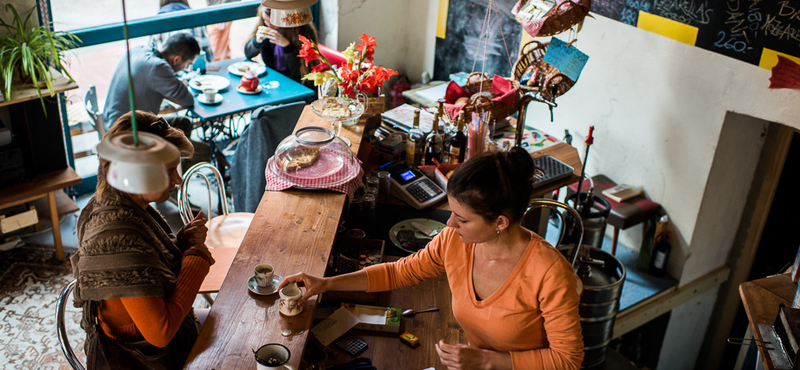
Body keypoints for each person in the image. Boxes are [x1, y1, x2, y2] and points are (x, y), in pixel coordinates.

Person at [280, 147, 584, 370]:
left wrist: (488, 361)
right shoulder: (455, 241)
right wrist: (325, 284)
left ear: (500, 223)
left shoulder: (549, 273)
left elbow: (568, 360)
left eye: (462, 219)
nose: (450, 224)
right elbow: (398, 273)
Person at [71, 110, 215, 368]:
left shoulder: (116, 204)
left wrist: (179, 245)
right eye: (169, 171)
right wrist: (196, 258)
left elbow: (145, 267)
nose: (178, 180)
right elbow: (161, 333)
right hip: (146, 359)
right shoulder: (116, 237)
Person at [103, 33, 199, 135]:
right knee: (204, 150)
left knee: (184, 123)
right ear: (176, 59)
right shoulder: (159, 68)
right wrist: (181, 85)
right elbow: (188, 100)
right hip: (128, 137)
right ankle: (177, 150)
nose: (185, 68)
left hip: (112, 123)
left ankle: (179, 149)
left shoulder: (138, 50)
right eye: (187, 64)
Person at [244, 5, 319, 84]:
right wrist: (257, 42)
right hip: (275, 78)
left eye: (273, 23)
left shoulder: (303, 31)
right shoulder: (265, 25)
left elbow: (300, 71)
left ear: (285, 19)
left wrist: (287, 46)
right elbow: (248, 54)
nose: (269, 26)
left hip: (299, 82)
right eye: (265, 20)